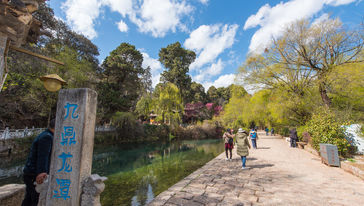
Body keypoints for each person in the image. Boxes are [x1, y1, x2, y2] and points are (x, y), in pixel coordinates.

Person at [22, 119, 55, 206]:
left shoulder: (46, 134)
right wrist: (42, 172)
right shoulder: (47, 137)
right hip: (34, 174)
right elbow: (43, 156)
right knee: (34, 200)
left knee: (29, 199)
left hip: (30, 172)